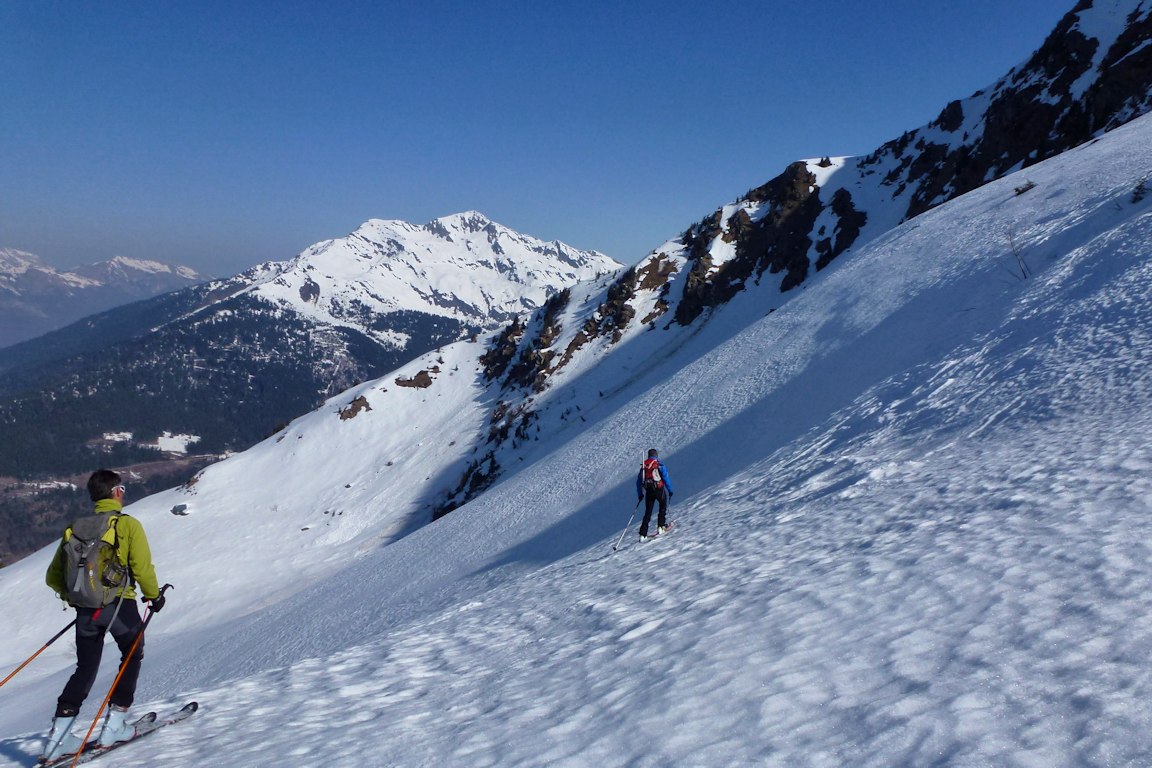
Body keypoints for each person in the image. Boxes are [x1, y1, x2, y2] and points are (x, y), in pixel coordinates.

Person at [41, 469, 164, 762]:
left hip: (86, 610)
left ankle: (58, 739)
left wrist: (75, 597)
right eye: (122, 489)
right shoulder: (127, 524)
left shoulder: (74, 528)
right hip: (119, 606)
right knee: (132, 655)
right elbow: (142, 567)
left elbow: (53, 576)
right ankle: (115, 726)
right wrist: (154, 596)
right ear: (116, 492)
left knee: (85, 668)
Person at [635, 448, 674, 541]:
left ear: (649, 455)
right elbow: (665, 478)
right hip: (659, 490)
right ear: (656, 455)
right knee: (662, 506)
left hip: (649, 491)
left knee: (648, 512)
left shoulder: (644, 466)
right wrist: (670, 490)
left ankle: (642, 534)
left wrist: (640, 495)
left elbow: (638, 482)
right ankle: (661, 526)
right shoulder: (659, 465)